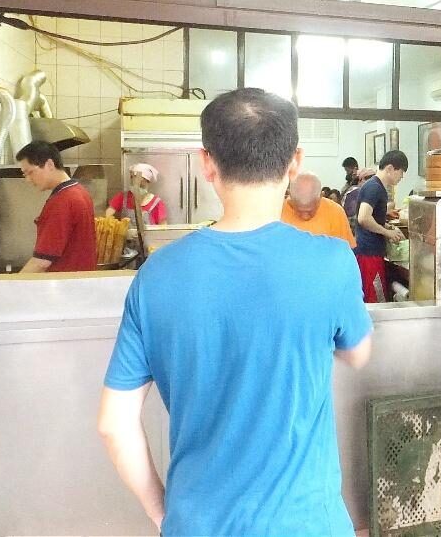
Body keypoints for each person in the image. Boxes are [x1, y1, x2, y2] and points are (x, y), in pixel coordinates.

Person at [97, 89, 373, 536]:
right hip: (307, 523)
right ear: (295, 162)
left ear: (207, 164)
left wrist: (162, 512)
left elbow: (114, 424)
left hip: (198, 524)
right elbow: (358, 353)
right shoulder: (332, 262)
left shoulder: (156, 275)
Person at [15, 140, 96, 273]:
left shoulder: (62, 201)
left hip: (65, 282)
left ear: (49, 164)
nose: (28, 180)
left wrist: (14, 282)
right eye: (25, 175)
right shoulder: (80, 191)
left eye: (30, 172)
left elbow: (41, 262)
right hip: (80, 280)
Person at [354, 150, 408, 303]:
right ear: (390, 168)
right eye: (401, 172)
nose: (401, 177)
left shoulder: (376, 187)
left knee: (377, 296)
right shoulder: (374, 187)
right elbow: (363, 218)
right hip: (368, 253)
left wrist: (388, 228)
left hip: (372, 252)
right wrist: (387, 232)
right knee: (374, 299)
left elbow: (373, 218)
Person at [281, 172, 356, 248]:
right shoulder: (277, 212)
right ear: (290, 196)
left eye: (310, 211)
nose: (305, 217)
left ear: (321, 196)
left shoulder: (335, 212)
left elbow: (347, 250)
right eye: (299, 211)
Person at [342, 166, 375, 234]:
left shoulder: (357, 190)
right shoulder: (355, 192)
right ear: (362, 179)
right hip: (353, 233)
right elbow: (355, 219)